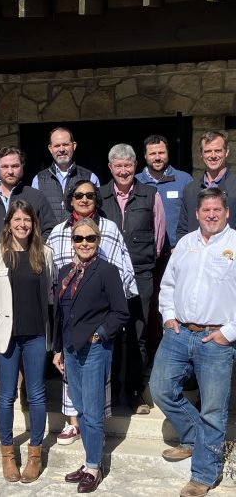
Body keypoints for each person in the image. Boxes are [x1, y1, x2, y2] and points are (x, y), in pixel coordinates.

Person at [150, 187, 236, 497]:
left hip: (216, 338)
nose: (211, 215)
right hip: (179, 332)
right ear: (197, 214)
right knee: (160, 389)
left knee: (213, 409)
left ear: (226, 212)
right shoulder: (186, 243)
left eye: (217, 210)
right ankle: (193, 437)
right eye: (206, 210)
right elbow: (168, 284)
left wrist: (229, 332)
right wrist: (169, 316)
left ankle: (204, 474)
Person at [0, 145, 55, 409]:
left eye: (15, 165)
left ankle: (27, 391)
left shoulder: (35, 197)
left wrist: (37, 263)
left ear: (22, 167)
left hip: (28, 279)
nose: (10, 170)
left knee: (28, 334)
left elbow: (49, 230)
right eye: (5, 166)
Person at [47, 179, 137, 445]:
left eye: (89, 195)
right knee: (72, 381)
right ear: (71, 200)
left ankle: (93, 440)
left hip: (96, 320)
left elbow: (121, 272)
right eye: (78, 195)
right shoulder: (59, 231)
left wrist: (102, 325)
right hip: (69, 322)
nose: (84, 200)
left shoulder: (108, 228)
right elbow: (52, 272)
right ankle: (73, 423)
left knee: (94, 389)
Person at [53, 218, 129, 493]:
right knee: (81, 408)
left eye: (90, 238)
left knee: (94, 412)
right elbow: (61, 314)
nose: (84, 243)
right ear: (72, 241)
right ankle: (88, 463)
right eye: (78, 238)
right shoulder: (65, 272)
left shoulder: (107, 271)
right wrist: (58, 349)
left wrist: (98, 335)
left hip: (95, 350)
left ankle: (95, 468)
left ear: (98, 240)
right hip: (70, 349)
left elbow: (120, 312)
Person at [0, 200, 53, 484]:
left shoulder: (44, 253)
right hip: (7, 335)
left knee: (36, 394)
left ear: (33, 224)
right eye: (17, 219)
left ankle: (35, 454)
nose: (22, 224)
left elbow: (49, 294)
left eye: (27, 220)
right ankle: (8, 454)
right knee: (6, 395)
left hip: (36, 334)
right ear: (9, 224)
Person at [100, 144, 165, 414]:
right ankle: (112, 391)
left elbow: (159, 239)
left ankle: (135, 392)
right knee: (111, 334)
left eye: (128, 165)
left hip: (140, 273)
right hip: (108, 275)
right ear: (110, 168)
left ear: (136, 166)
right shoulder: (100, 196)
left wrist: (142, 260)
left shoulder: (151, 195)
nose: (124, 170)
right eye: (118, 166)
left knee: (138, 333)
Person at [136, 134, 193, 357]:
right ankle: (152, 354)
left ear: (167, 153)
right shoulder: (136, 181)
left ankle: (177, 354)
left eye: (161, 152)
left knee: (176, 303)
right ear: (145, 156)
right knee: (150, 305)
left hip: (176, 254)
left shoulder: (184, 179)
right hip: (147, 256)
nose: (157, 157)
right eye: (152, 153)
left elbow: (191, 215)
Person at [31, 127, 100, 224]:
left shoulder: (90, 177)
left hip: (81, 233)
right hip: (49, 234)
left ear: (74, 146)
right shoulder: (38, 180)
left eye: (65, 144)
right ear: (50, 149)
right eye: (57, 146)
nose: (61, 149)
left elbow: (97, 210)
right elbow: (33, 214)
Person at [177, 130, 236, 240]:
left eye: (218, 150)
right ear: (201, 154)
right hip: (195, 249)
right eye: (208, 151)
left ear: (226, 152)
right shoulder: (190, 189)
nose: (213, 156)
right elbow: (183, 229)